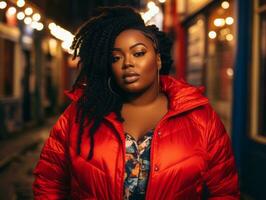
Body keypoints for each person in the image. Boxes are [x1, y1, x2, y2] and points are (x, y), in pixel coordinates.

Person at [33, 6, 240, 200]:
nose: (128, 63)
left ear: (158, 59)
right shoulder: (78, 116)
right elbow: (49, 184)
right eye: (116, 58)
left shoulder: (200, 118)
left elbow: (225, 191)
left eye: (138, 53)